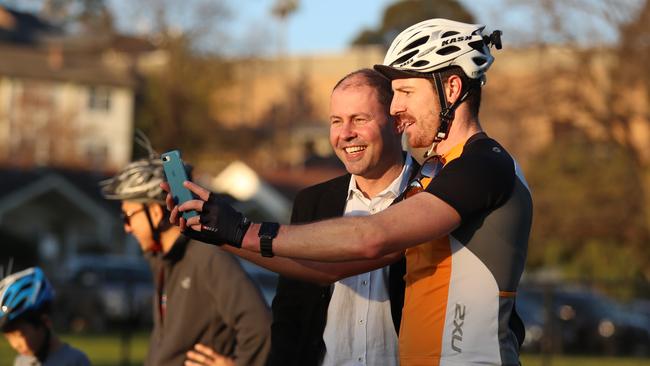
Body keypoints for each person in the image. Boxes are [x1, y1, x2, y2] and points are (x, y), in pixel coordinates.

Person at [171, 19, 532, 366]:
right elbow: (337, 266)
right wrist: (223, 233)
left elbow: (371, 236)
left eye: (406, 92)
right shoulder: (439, 171)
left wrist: (244, 229)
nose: (395, 108)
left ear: (451, 89)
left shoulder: (483, 165)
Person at [165, 68, 414, 366]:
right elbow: (290, 314)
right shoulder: (313, 202)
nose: (345, 133)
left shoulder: (430, 195)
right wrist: (217, 232)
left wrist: (234, 230)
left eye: (360, 119)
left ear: (397, 122)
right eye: (336, 121)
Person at [100, 153, 271, 366]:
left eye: (128, 216)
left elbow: (259, 325)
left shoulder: (206, 254)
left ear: (154, 213)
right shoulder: (163, 260)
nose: (127, 227)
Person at [0, 267, 91, 366]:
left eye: (20, 335)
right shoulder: (21, 362)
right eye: (8, 337)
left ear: (45, 321)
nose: (15, 344)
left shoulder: (75, 361)